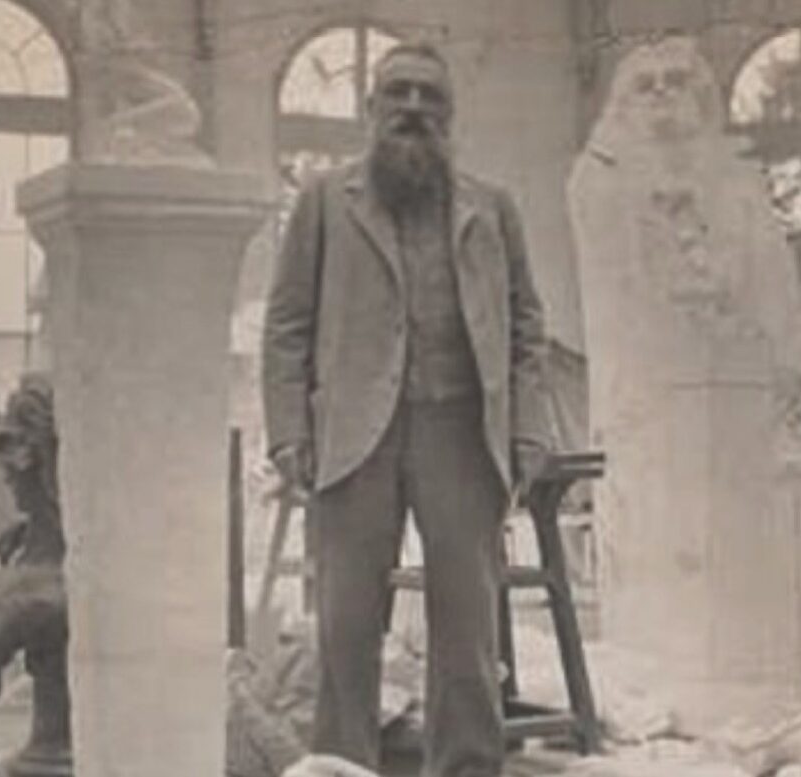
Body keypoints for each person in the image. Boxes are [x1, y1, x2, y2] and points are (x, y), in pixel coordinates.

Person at [262, 41, 553, 777]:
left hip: (462, 434)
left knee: (469, 636)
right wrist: (289, 434)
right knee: (345, 633)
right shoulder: (326, 201)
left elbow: (526, 326)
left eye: (430, 97)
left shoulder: (493, 206)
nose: (414, 110)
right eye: (398, 94)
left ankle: (465, 770)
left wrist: (526, 431)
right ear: (371, 109)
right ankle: (339, 770)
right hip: (354, 440)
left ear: (449, 116)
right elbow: (287, 323)